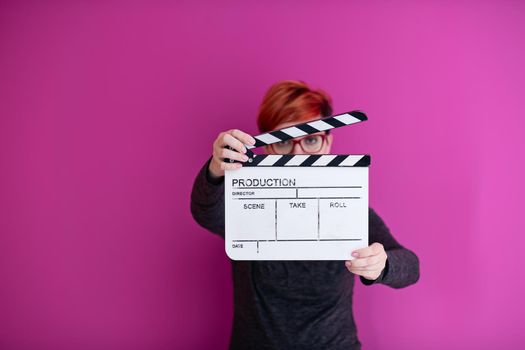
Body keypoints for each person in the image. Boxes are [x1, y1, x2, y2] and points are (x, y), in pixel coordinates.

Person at [190, 80, 420, 350]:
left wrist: (383, 265)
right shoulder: (246, 204)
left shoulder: (349, 209)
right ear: (266, 147)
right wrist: (216, 168)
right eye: (284, 143)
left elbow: (411, 267)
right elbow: (205, 212)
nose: (298, 155)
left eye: (310, 140)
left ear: (328, 142)